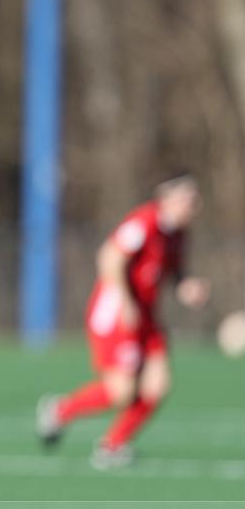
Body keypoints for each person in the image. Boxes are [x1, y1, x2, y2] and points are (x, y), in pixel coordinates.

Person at [36, 173, 210, 469]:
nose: (194, 206)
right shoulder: (144, 222)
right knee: (122, 392)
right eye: (188, 200)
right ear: (167, 198)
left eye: (196, 201)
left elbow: (175, 271)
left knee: (158, 384)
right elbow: (109, 257)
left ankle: (112, 446)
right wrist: (125, 300)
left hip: (146, 316)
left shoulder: (178, 235)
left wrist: (186, 286)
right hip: (117, 315)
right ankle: (60, 410)